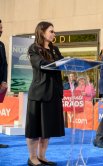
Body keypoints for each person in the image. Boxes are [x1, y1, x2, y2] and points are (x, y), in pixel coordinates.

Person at [25, 21, 65, 166]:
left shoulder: (54, 49)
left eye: (54, 31)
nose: (54, 34)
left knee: (46, 128)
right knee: (35, 128)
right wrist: (57, 63)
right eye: (51, 31)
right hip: (39, 93)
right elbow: (40, 64)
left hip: (54, 92)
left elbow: (63, 63)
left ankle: (42, 156)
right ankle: (32, 157)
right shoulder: (33, 48)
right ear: (42, 32)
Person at [0, 19, 9, 149]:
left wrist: (4, 81)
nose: (1, 30)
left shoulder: (1, 45)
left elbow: (5, 64)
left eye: (1, 27)